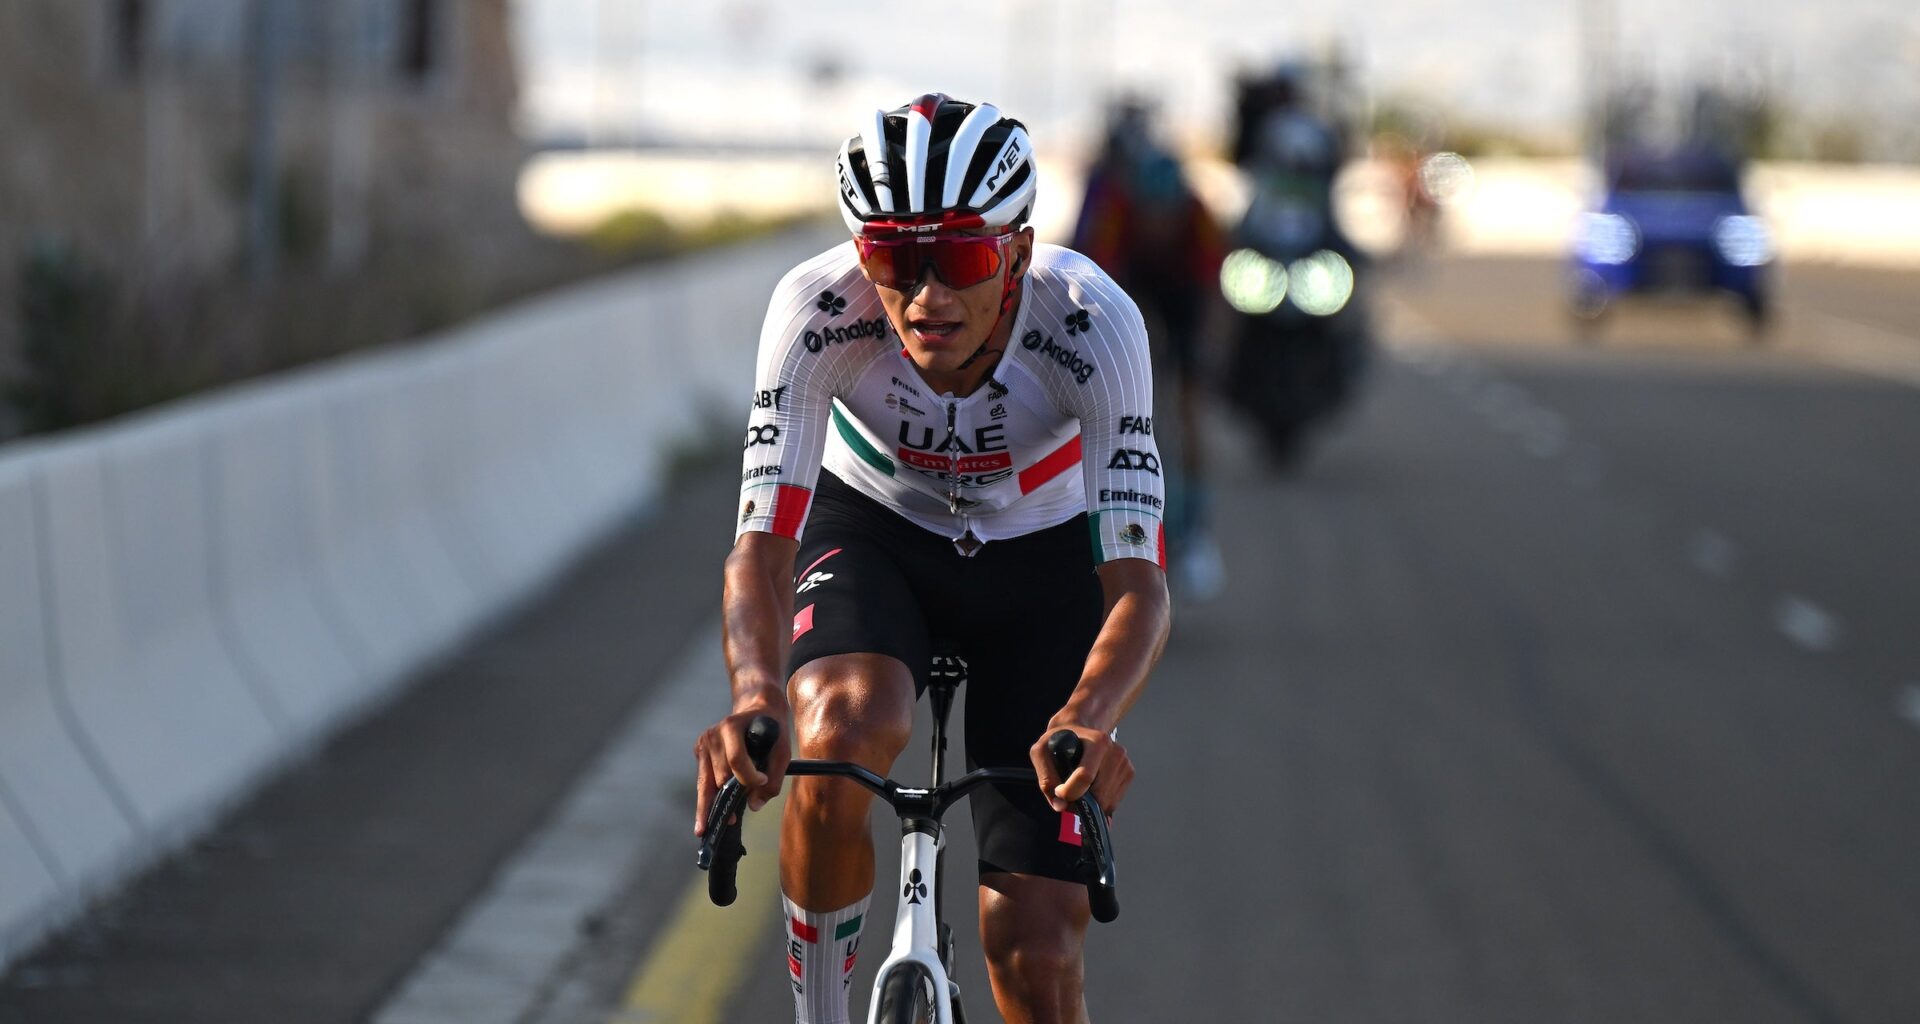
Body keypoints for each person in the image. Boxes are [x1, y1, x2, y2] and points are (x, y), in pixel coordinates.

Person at [693, 93, 1170, 1024]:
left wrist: (1091, 715)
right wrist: (755, 693)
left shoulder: (1092, 324)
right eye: (892, 259)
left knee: (1033, 954)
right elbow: (760, 547)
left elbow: (1138, 583)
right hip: (876, 533)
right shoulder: (818, 312)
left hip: (1042, 556)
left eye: (957, 259)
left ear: (1018, 251)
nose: (925, 297)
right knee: (838, 728)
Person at [1071, 99, 1226, 601]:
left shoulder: (1197, 214)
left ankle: (1196, 524)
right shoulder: (1118, 209)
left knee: (1187, 400)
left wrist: (1204, 357)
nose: (1159, 224)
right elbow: (1096, 290)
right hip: (1131, 281)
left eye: (1168, 216)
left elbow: (1214, 294)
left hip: (1181, 291)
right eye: (1152, 215)